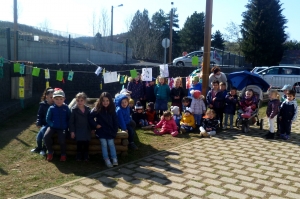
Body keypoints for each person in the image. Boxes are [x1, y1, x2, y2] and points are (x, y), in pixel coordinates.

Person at [89, 92, 119, 167]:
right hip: (101, 130)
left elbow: (115, 121)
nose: (105, 102)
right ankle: (106, 159)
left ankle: (114, 158)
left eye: (107, 100)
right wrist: (95, 125)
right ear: (100, 101)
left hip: (110, 130)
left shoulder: (112, 109)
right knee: (104, 144)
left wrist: (115, 130)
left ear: (110, 101)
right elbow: (90, 117)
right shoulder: (97, 109)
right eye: (103, 101)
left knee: (111, 144)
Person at [44, 89, 71, 162]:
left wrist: (67, 126)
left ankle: (63, 154)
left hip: (62, 128)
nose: (59, 101)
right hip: (53, 127)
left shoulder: (66, 108)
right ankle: (50, 151)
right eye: (56, 99)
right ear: (53, 99)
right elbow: (48, 119)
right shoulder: (51, 108)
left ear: (64, 99)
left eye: (61, 99)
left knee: (62, 140)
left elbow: (69, 118)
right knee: (46, 136)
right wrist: (52, 124)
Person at [31, 87, 54, 155]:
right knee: (38, 137)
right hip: (44, 123)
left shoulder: (55, 106)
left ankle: (44, 149)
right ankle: (39, 147)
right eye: (51, 97)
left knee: (45, 136)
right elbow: (39, 115)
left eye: (53, 97)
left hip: (50, 124)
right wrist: (38, 122)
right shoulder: (43, 105)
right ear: (46, 96)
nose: (52, 99)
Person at [69, 92, 91, 161]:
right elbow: (71, 122)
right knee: (79, 142)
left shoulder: (88, 109)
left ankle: (86, 154)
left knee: (86, 142)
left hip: (86, 129)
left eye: (81, 100)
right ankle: (78, 154)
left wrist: (92, 128)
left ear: (84, 101)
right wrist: (72, 131)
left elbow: (90, 120)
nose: (80, 102)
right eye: (78, 100)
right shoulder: (74, 110)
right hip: (78, 129)